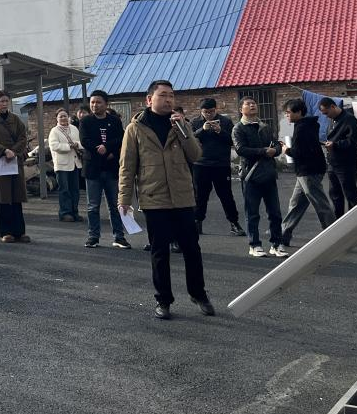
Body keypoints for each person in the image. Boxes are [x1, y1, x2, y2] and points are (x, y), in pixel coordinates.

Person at [119, 80, 214, 320]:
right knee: (160, 252)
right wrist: (124, 198)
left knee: (192, 249)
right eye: (163, 95)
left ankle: (198, 294)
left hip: (182, 197)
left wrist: (184, 131)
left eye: (171, 95)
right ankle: (163, 300)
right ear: (149, 99)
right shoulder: (135, 128)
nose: (169, 99)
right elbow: (127, 166)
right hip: (154, 198)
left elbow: (196, 155)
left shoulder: (181, 124)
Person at [232, 98, 286, 258]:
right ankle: (254, 245)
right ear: (241, 109)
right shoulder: (238, 128)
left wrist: (276, 151)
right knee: (252, 213)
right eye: (248, 104)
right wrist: (263, 151)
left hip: (269, 174)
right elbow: (240, 149)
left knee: (275, 213)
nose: (252, 105)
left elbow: (277, 144)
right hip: (250, 176)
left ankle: (276, 244)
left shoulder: (265, 127)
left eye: (254, 103)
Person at [279, 98, 335, 247]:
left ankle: (334, 234)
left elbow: (300, 152)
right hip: (307, 170)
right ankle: (284, 234)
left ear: (298, 112)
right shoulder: (308, 125)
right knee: (296, 203)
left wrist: (286, 150)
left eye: (288, 112)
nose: (287, 115)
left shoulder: (302, 128)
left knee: (320, 203)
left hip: (309, 171)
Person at [79, 91, 127, 248]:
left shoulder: (114, 121)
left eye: (98, 102)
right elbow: (84, 140)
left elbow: (121, 139)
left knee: (115, 205)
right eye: (92, 102)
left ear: (106, 104)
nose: (95, 105)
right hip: (93, 169)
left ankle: (119, 237)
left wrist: (108, 148)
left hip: (111, 168)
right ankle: (93, 236)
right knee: (93, 206)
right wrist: (98, 148)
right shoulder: (86, 121)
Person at [190, 98, 241, 237]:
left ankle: (234, 223)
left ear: (216, 109)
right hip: (201, 164)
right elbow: (190, 140)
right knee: (200, 196)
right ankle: (197, 222)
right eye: (206, 112)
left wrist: (220, 131)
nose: (209, 115)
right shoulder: (195, 122)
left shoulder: (225, 122)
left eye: (211, 111)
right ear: (201, 111)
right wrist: (202, 130)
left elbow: (233, 141)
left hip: (221, 164)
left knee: (226, 195)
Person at [0, 91, 29, 243]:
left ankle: (19, 231)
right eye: (1, 101)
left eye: (6, 101)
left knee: (16, 197)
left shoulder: (15, 119)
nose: (4, 104)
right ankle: (5, 232)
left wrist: (14, 151)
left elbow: (23, 137)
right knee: (3, 198)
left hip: (14, 161)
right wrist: (4, 151)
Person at [319, 98, 357, 220]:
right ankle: (338, 221)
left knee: (350, 193)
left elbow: (354, 141)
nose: (326, 116)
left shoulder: (350, 120)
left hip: (346, 164)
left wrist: (335, 145)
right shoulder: (332, 120)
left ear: (333, 107)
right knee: (335, 194)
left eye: (326, 112)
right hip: (332, 163)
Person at [47, 109, 83, 223]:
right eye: (61, 116)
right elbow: (54, 146)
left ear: (68, 117)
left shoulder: (74, 128)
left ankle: (74, 212)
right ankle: (65, 213)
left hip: (74, 163)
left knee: (75, 190)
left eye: (65, 116)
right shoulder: (54, 131)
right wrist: (69, 146)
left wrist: (77, 144)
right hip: (61, 165)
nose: (63, 118)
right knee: (64, 190)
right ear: (57, 119)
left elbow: (81, 142)